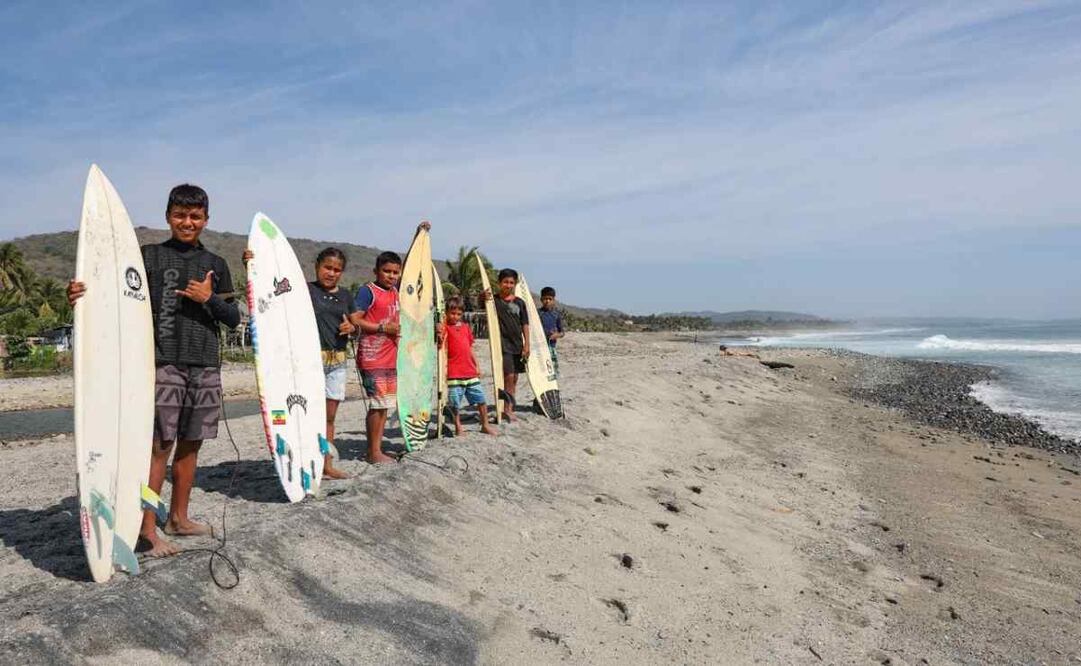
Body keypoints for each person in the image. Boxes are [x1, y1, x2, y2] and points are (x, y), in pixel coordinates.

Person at [68, 184, 240, 558]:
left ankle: (179, 517)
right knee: (159, 445)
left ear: (206, 220)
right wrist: (82, 294)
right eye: (180, 214)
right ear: (168, 216)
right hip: (162, 362)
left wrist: (208, 299)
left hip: (205, 362)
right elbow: (115, 296)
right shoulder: (147, 257)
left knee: (192, 443)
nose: (187, 222)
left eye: (195, 216)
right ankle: (147, 528)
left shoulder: (217, 264)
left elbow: (233, 317)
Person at [240, 246, 359, 479]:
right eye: (327, 267)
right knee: (303, 414)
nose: (331, 273)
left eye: (337, 270)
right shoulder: (303, 290)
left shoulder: (345, 295)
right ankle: (303, 462)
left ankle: (326, 464)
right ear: (316, 266)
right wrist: (251, 267)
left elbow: (356, 326)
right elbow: (269, 296)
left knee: (329, 418)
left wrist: (352, 328)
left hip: (337, 363)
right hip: (308, 363)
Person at [353, 247, 403, 463]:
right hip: (372, 357)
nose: (391, 276)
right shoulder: (368, 291)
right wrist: (382, 329)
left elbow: (412, 268)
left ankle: (377, 449)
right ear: (376, 271)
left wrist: (420, 236)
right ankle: (373, 452)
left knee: (384, 404)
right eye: (386, 271)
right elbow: (355, 319)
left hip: (391, 357)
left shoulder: (396, 291)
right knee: (377, 404)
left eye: (395, 272)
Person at [442, 296, 497, 436]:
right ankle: (458, 427)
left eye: (459, 314)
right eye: (452, 313)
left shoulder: (466, 328)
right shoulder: (444, 328)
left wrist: (477, 365)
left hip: (470, 371)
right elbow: (439, 345)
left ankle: (485, 424)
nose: (455, 316)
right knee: (455, 403)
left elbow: (470, 348)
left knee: (481, 400)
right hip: (454, 373)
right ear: (446, 313)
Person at [484, 268, 529, 422]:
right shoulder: (494, 301)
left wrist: (526, 344)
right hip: (503, 345)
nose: (508, 285)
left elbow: (525, 324)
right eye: (505, 282)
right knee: (508, 376)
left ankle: (508, 406)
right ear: (499, 283)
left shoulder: (520, 303)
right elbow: (482, 302)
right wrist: (482, 297)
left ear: (515, 284)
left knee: (515, 377)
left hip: (518, 344)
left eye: (511, 282)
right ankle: (506, 409)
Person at [538, 286, 565, 377]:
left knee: (552, 372)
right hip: (539, 348)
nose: (547, 301)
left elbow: (562, 332)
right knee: (541, 371)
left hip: (551, 347)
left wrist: (556, 335)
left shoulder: (556, 314)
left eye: (550, 299)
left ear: (554, 300)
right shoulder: (537, 313)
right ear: (541, 299)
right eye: (545, 299)